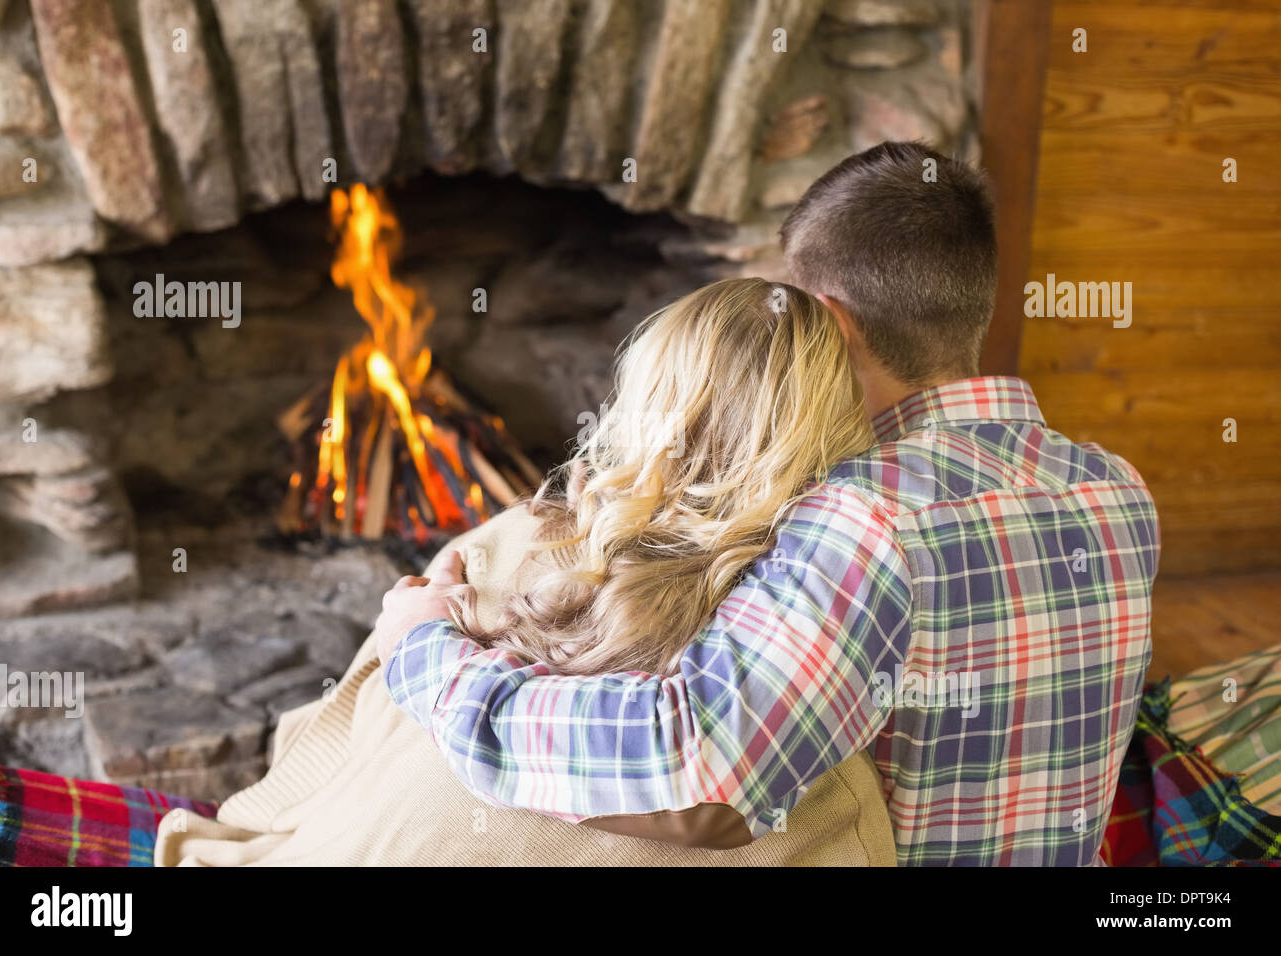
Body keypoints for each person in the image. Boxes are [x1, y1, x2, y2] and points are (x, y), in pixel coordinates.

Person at [381, 141, 1162, 866]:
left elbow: (700, 771)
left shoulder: (867, 519)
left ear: (828, 320)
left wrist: (427, 656)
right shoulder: (1117, 488)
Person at [152, 277, 896, 866]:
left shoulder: (504, 553)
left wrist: (422, 634)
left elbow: (330, 750)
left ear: (649, 410)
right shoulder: (819, 656)